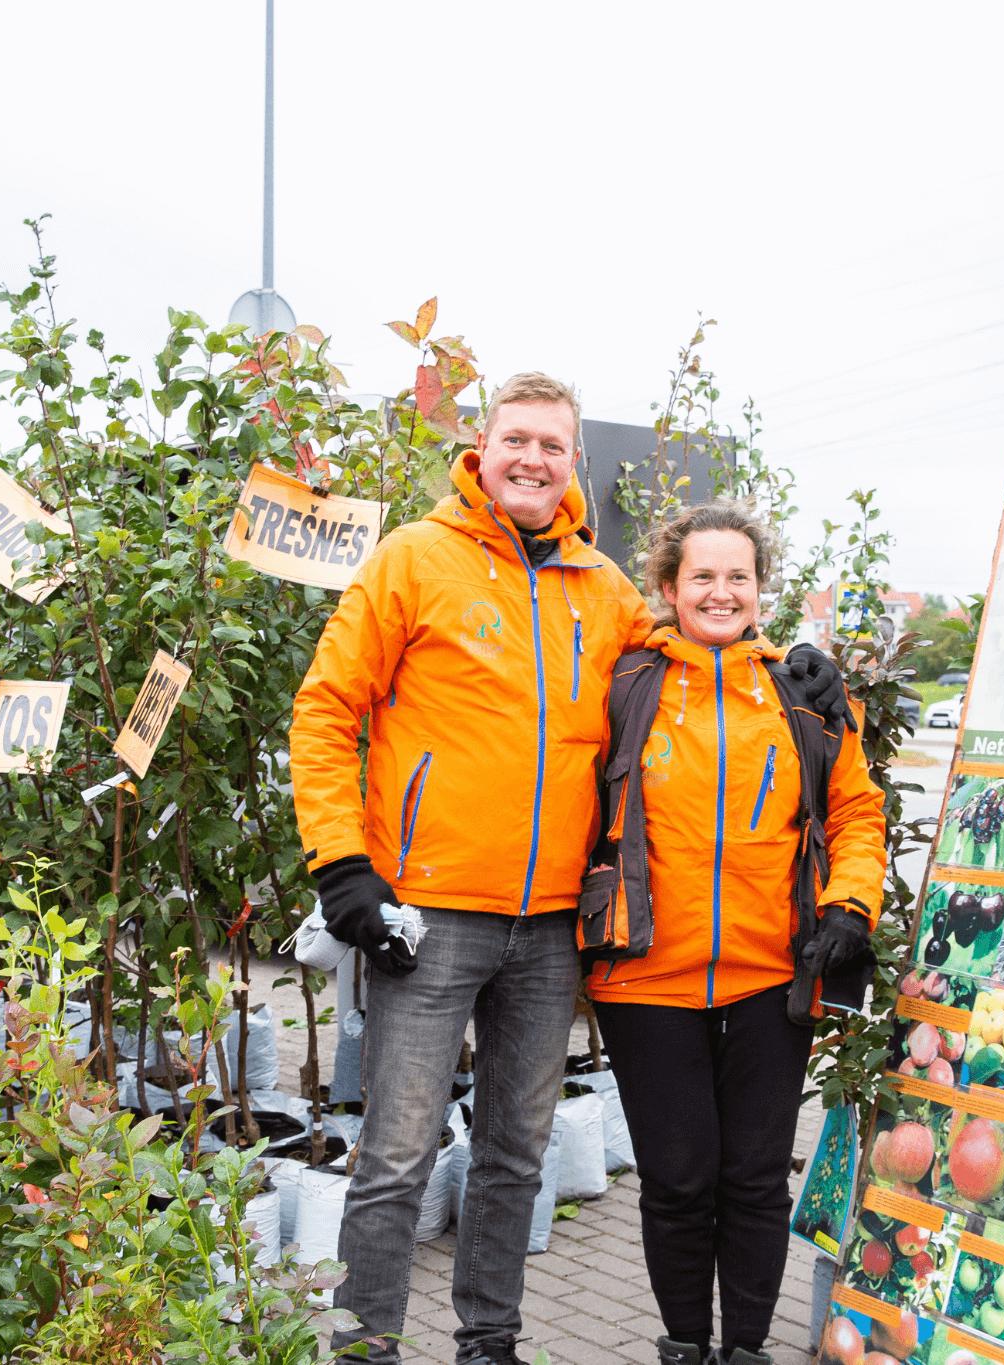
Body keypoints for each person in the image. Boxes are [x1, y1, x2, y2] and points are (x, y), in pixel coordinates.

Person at [289, 372, 655, 1363]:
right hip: (429, 917)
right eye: (516, 440)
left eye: (552, 444)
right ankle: (364, 1349)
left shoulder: (605, 593)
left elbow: (686, 672)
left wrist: (775, 667)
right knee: (396, 1157)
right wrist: (342, 865)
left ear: (574, 462)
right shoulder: (413, 559)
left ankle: (487, 1344)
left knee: (512, 1156)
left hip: (547, 929)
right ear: (481, 449)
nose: (532, 459)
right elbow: (326, 711)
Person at [581, 501, 887, 1365]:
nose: (721, 592)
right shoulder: (625, 680)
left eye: (738, 577)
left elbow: (858, 810)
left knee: (754, 1181)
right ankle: (684, 1345)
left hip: (771, 974)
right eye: (702, 576)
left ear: (761, 587)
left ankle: (745, 1349)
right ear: (669, 586)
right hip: (645, 977)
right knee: (678, 1181)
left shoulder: (803, 694)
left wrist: (849, 905)